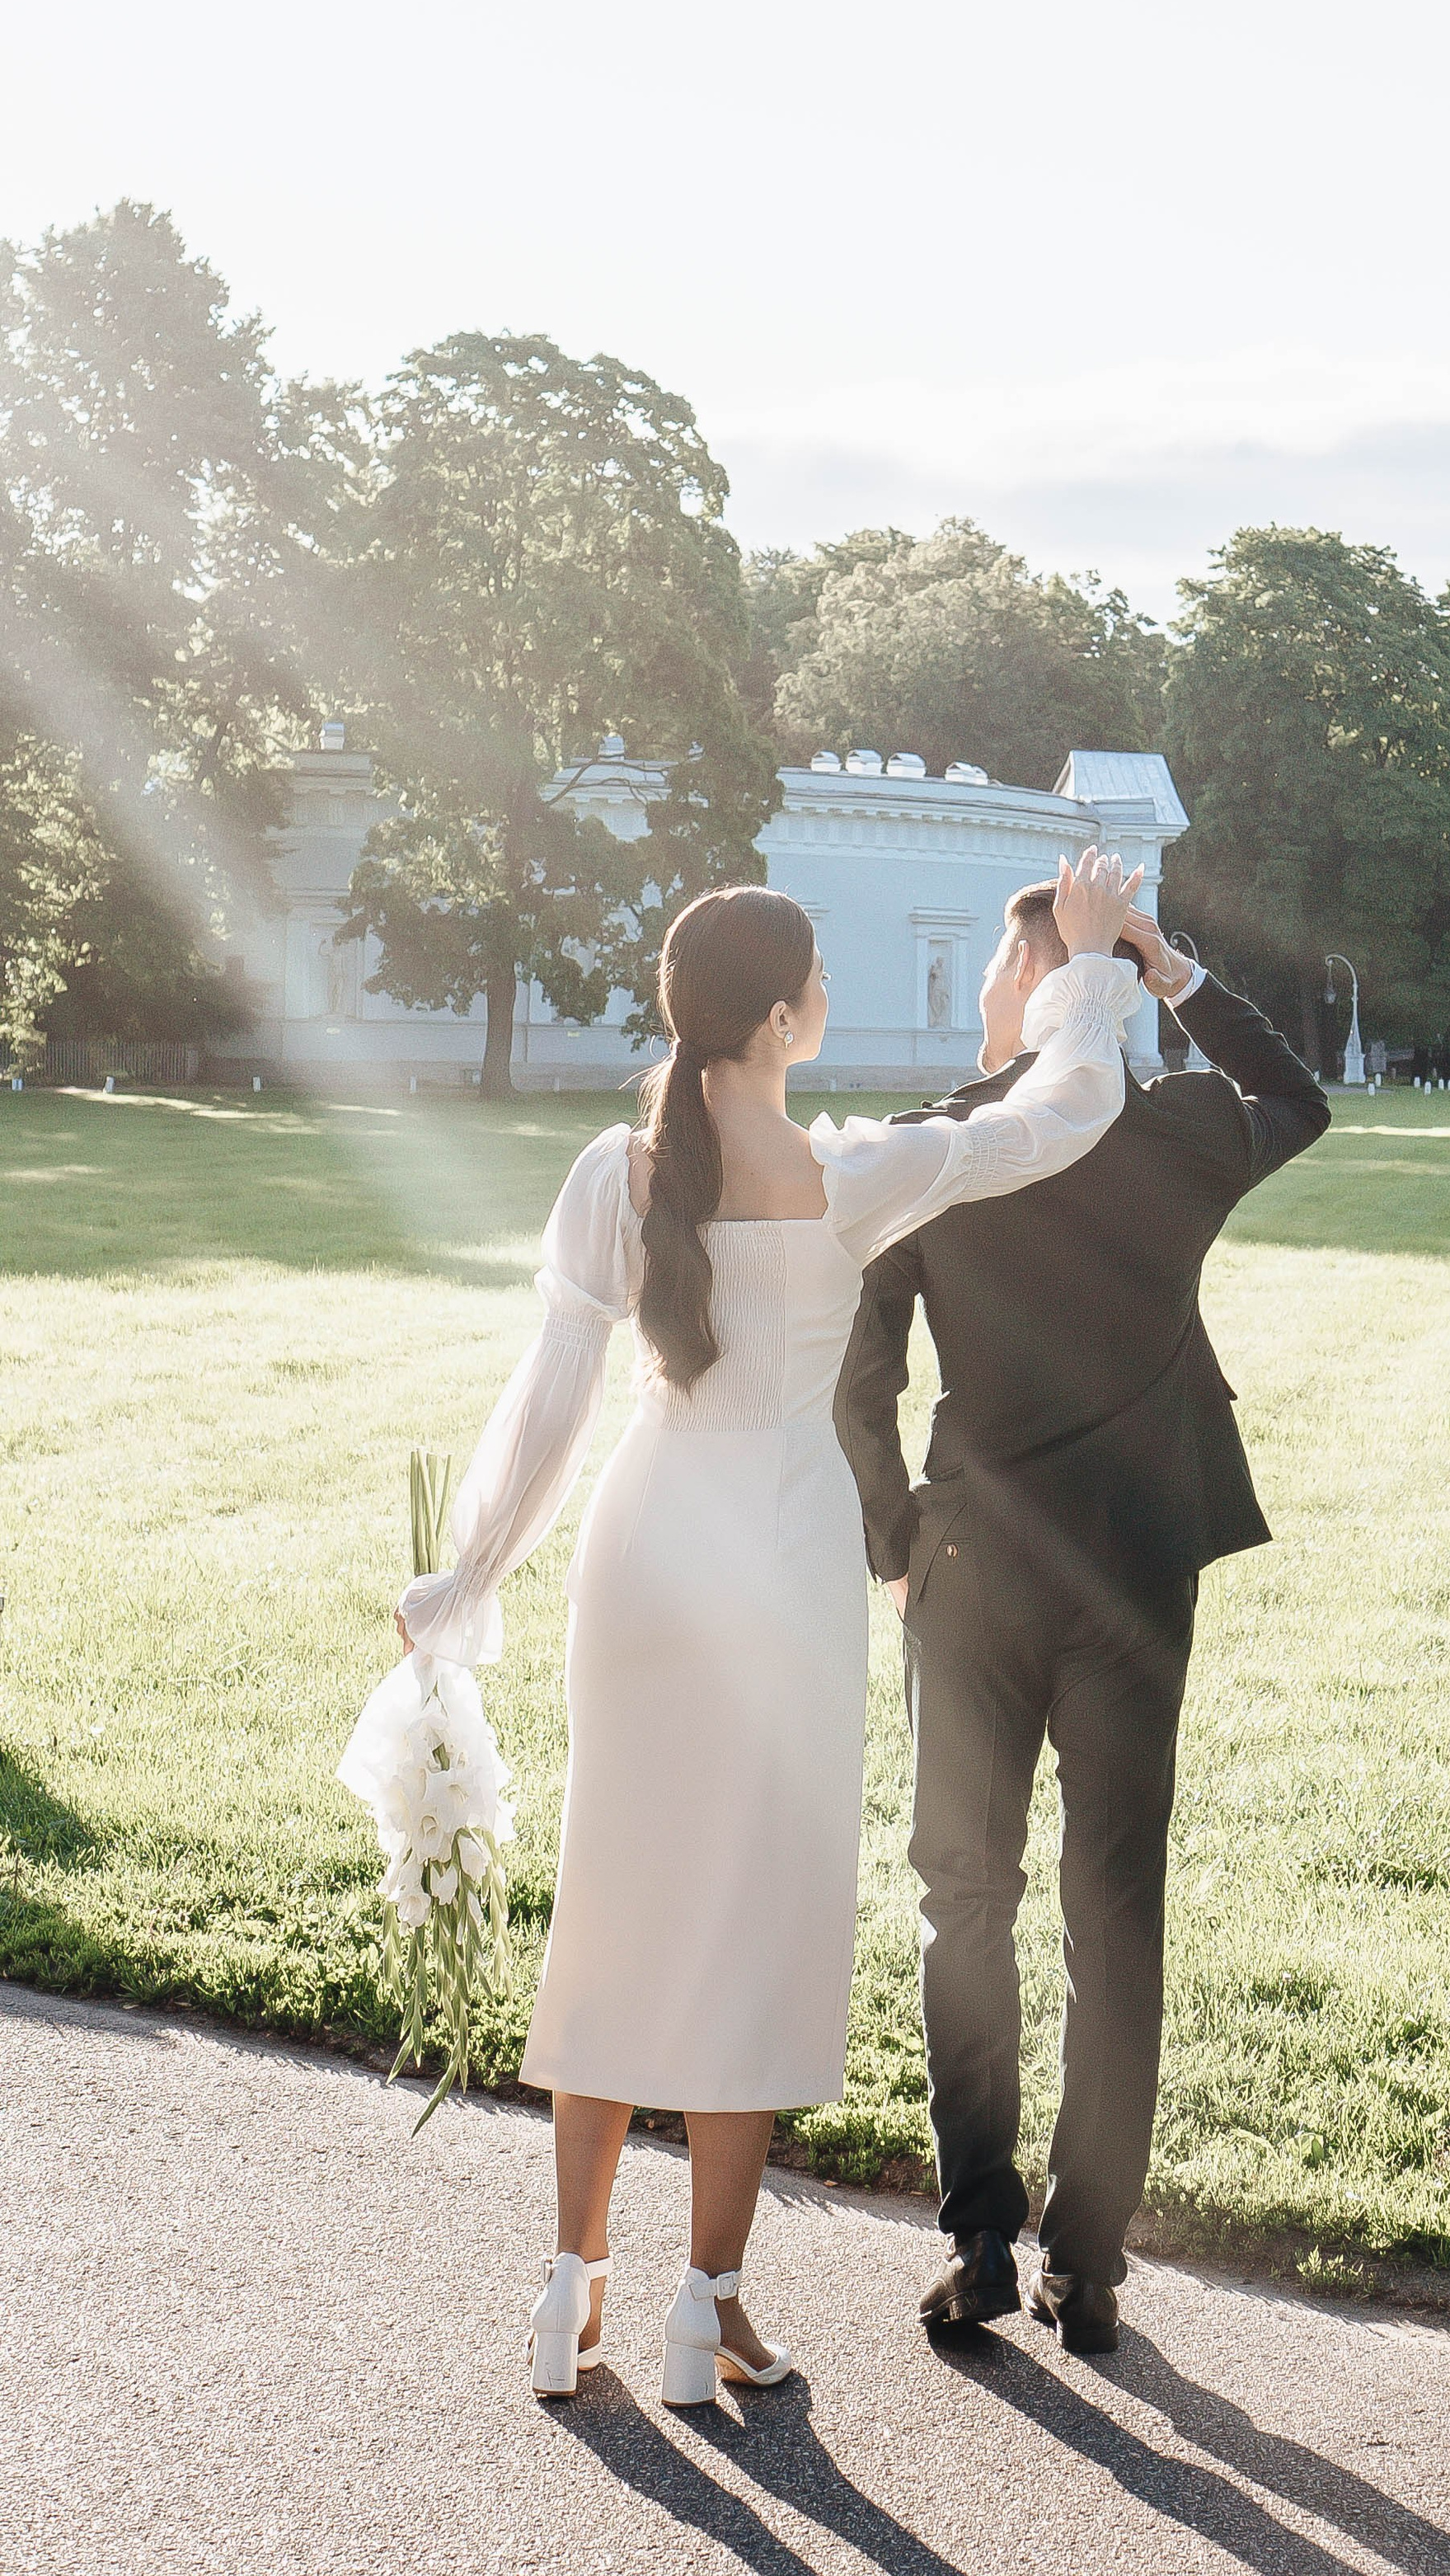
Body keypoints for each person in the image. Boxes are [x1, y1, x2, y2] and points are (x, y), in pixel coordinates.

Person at [354, 851, 1143, 2402]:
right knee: (758, 1923)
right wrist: (1093, 967)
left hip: (645, 1553)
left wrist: (467, 1584)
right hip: (780, 1562)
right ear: (783, 1019)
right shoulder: (852, 1172)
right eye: (821, 986)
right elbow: (1063, 1116)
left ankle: (567, 2288)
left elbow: (552, 1410)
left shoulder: (618, 1169)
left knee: (620, 1899)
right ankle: (705, 2307)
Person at [836, 892, 1330, 2357]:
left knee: (961, 1900)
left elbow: (862, 1374)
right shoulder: (1176, 1130)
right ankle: (1087, 2259)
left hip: (971, 1566)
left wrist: (891, 1543)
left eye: (1005, 954)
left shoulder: (942, 1144)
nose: (986, 977)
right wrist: (1171, 972)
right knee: (1114, 1916)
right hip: (1132, 1572)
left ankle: (982, 2235)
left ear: (1043, 986)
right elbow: (1295, 1099)